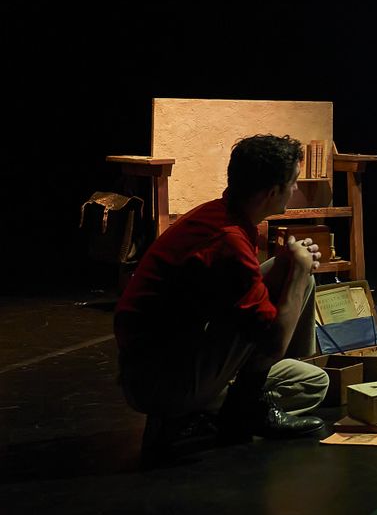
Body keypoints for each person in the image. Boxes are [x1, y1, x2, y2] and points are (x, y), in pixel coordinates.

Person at [114, 134, 329, 462]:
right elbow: (271, 341)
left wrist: (293, 267)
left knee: (314, 382)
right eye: (293, 183)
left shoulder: (224, 216)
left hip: (179, 362)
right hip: (161, 382)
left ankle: (228, 409)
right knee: (286, 287)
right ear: (273, 192)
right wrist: (298, 270)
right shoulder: (227, 240)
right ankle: (201, 416)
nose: (295, 190)